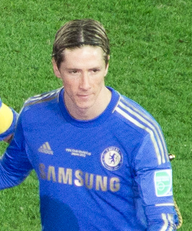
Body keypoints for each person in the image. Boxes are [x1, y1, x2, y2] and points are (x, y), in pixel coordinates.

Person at [0, 19, 180, 230]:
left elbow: (163, 222)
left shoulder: (140, 133)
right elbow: (7, 173)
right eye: (74, 72)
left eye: (94, 71)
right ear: (56, 68)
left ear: (107, 66)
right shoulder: (34, 116)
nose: (85, 85)